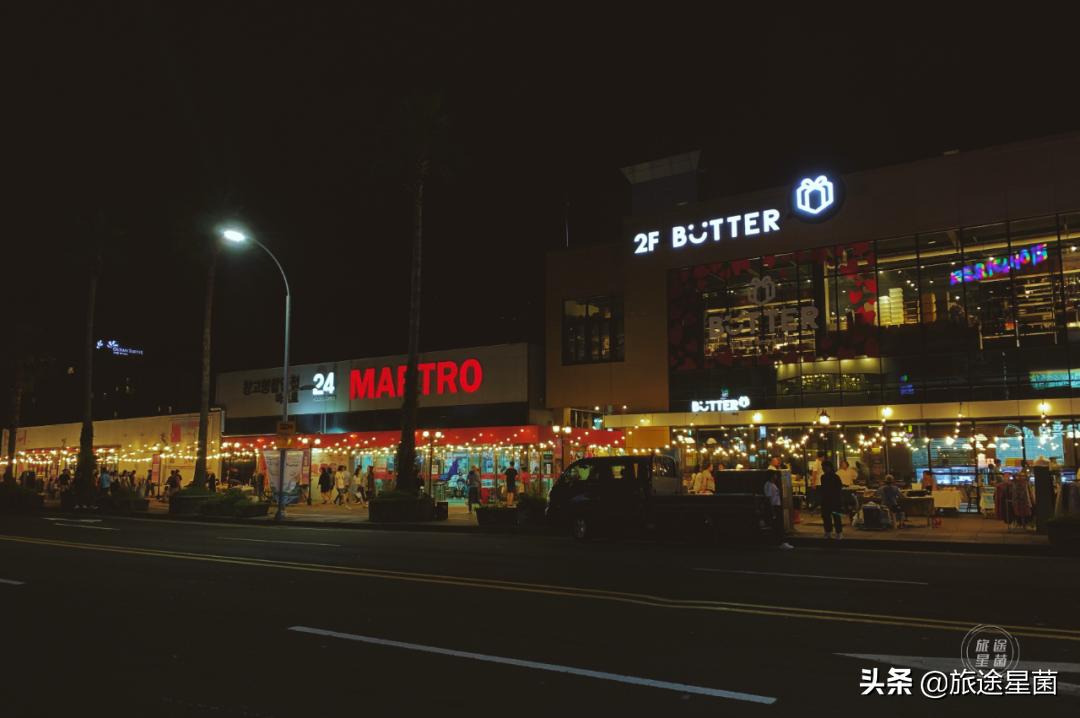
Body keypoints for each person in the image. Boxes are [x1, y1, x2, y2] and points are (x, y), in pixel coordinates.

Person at [763, 476, 793, 549]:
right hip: (774, 506)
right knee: (778, 525)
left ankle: (779, 542)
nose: (776, 477)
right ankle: (781, 542)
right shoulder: (769, 485)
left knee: (777, 525)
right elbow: (769, 498)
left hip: (776, 506)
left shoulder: (771, 484)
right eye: (775, 475)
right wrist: (772, 510)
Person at [819, 460, 844, 539]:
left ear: (830, 467)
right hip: (827, 499)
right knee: (826, 516)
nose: (823, 468)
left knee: (836, 516)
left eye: (825, 467)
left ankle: (838, 532)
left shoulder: (835, 477)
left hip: (834, 500)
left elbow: (838, 488)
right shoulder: (823, 477)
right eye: (823, 467)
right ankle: (828, 532)